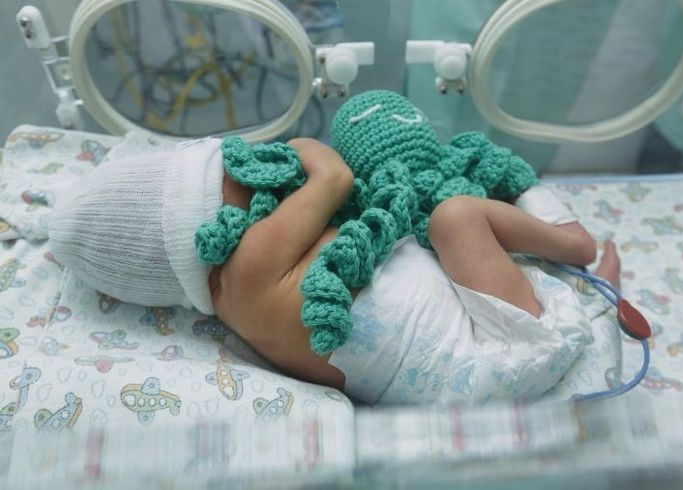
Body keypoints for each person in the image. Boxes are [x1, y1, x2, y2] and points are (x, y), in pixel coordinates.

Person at [49, 135, 620, 406]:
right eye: (235, 171)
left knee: (449, 242)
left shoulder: (239, 304)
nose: (258, 171)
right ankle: (570, 243)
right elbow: (333, 176)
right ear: (199, 223)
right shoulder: (246, 265)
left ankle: (594, 305)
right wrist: (301, 144)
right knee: (456, 217)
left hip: (465, 393)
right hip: (493, 345)